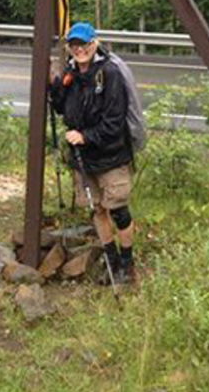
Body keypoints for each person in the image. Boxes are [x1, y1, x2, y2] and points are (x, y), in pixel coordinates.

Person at [49, 21, 136, 284]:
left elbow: (114, 122)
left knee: (119, 211)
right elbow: (63, 108)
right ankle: (110, 263)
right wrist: (54, 85)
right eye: (75, 45)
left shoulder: (109, 73)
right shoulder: (71, 73)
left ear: (94, 43)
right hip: (84, 160)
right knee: (97, 210)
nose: (80, 50)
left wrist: (85, 136)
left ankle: (126, 265)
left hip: (111, 157)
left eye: (84, 44)